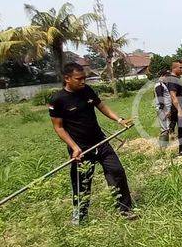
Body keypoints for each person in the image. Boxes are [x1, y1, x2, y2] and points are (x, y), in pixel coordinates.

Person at [48, 62, 136, 224]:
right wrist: (74, 148)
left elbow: (101, 106)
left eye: (84, 78)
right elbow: (59, 128)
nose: (82, 81)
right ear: (67, 78)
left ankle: (125, 210)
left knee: (117, 172)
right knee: (82, 183)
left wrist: (119, 119)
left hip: (101, 141)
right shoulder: (58, 100)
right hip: (81, 148)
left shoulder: (87, 90)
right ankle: (80, 217)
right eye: (78, 79)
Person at [168, 60, 182, 154]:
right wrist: (180, 111)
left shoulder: (176, 78)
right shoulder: (172, 80)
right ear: (174, 68)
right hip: (178, 108)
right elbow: (173, 96)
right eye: (180, 68)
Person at [154, 69, 173, 147]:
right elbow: (160, 98)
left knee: (167, 127)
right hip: (163, 109)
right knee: (164, 128)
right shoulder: (159, 85)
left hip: (165, 109)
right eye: (167, 76)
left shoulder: (162, 84)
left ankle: (165, 145)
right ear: (163, 76)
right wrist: (165, 111)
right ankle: (163, 147)